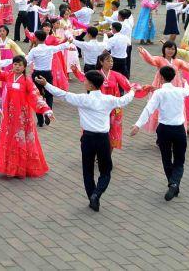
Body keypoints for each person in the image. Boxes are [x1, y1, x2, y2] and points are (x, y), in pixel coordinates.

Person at [35, 72, 135, 211]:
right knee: (105, 171)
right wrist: (133, 91)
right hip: (103, 140)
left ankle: (92, 197)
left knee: (87, 171)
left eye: (85, 80)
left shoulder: (82, 99)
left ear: (90, 84)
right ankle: (97, 194)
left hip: (87, 138)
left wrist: (46, 84)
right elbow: (124, 100)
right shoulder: (108, 99)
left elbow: (62, 94)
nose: (84, 82)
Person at [0, 55, 51, 178]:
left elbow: (35, 96)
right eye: (15, 64)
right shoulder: (8, 75)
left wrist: (46, 110)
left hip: (22, 116)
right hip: (9, 116)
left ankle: (22, 168)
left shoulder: (27, 80)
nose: (17, 67)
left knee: (22, 139)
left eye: (20, 65)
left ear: (24, 67)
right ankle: (10, 167)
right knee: (10, 138)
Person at [130, 65, 189, 201]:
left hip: (164, 130)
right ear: (174, 77)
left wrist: (137, 125)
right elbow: (188, 90)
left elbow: (148, 109)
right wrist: (186, 82)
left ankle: (172, 183)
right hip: (179, 129)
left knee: (166, 158)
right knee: (179, 160)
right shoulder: (180, 91)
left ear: (161, 78)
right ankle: (174, 183)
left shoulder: (159, 93)